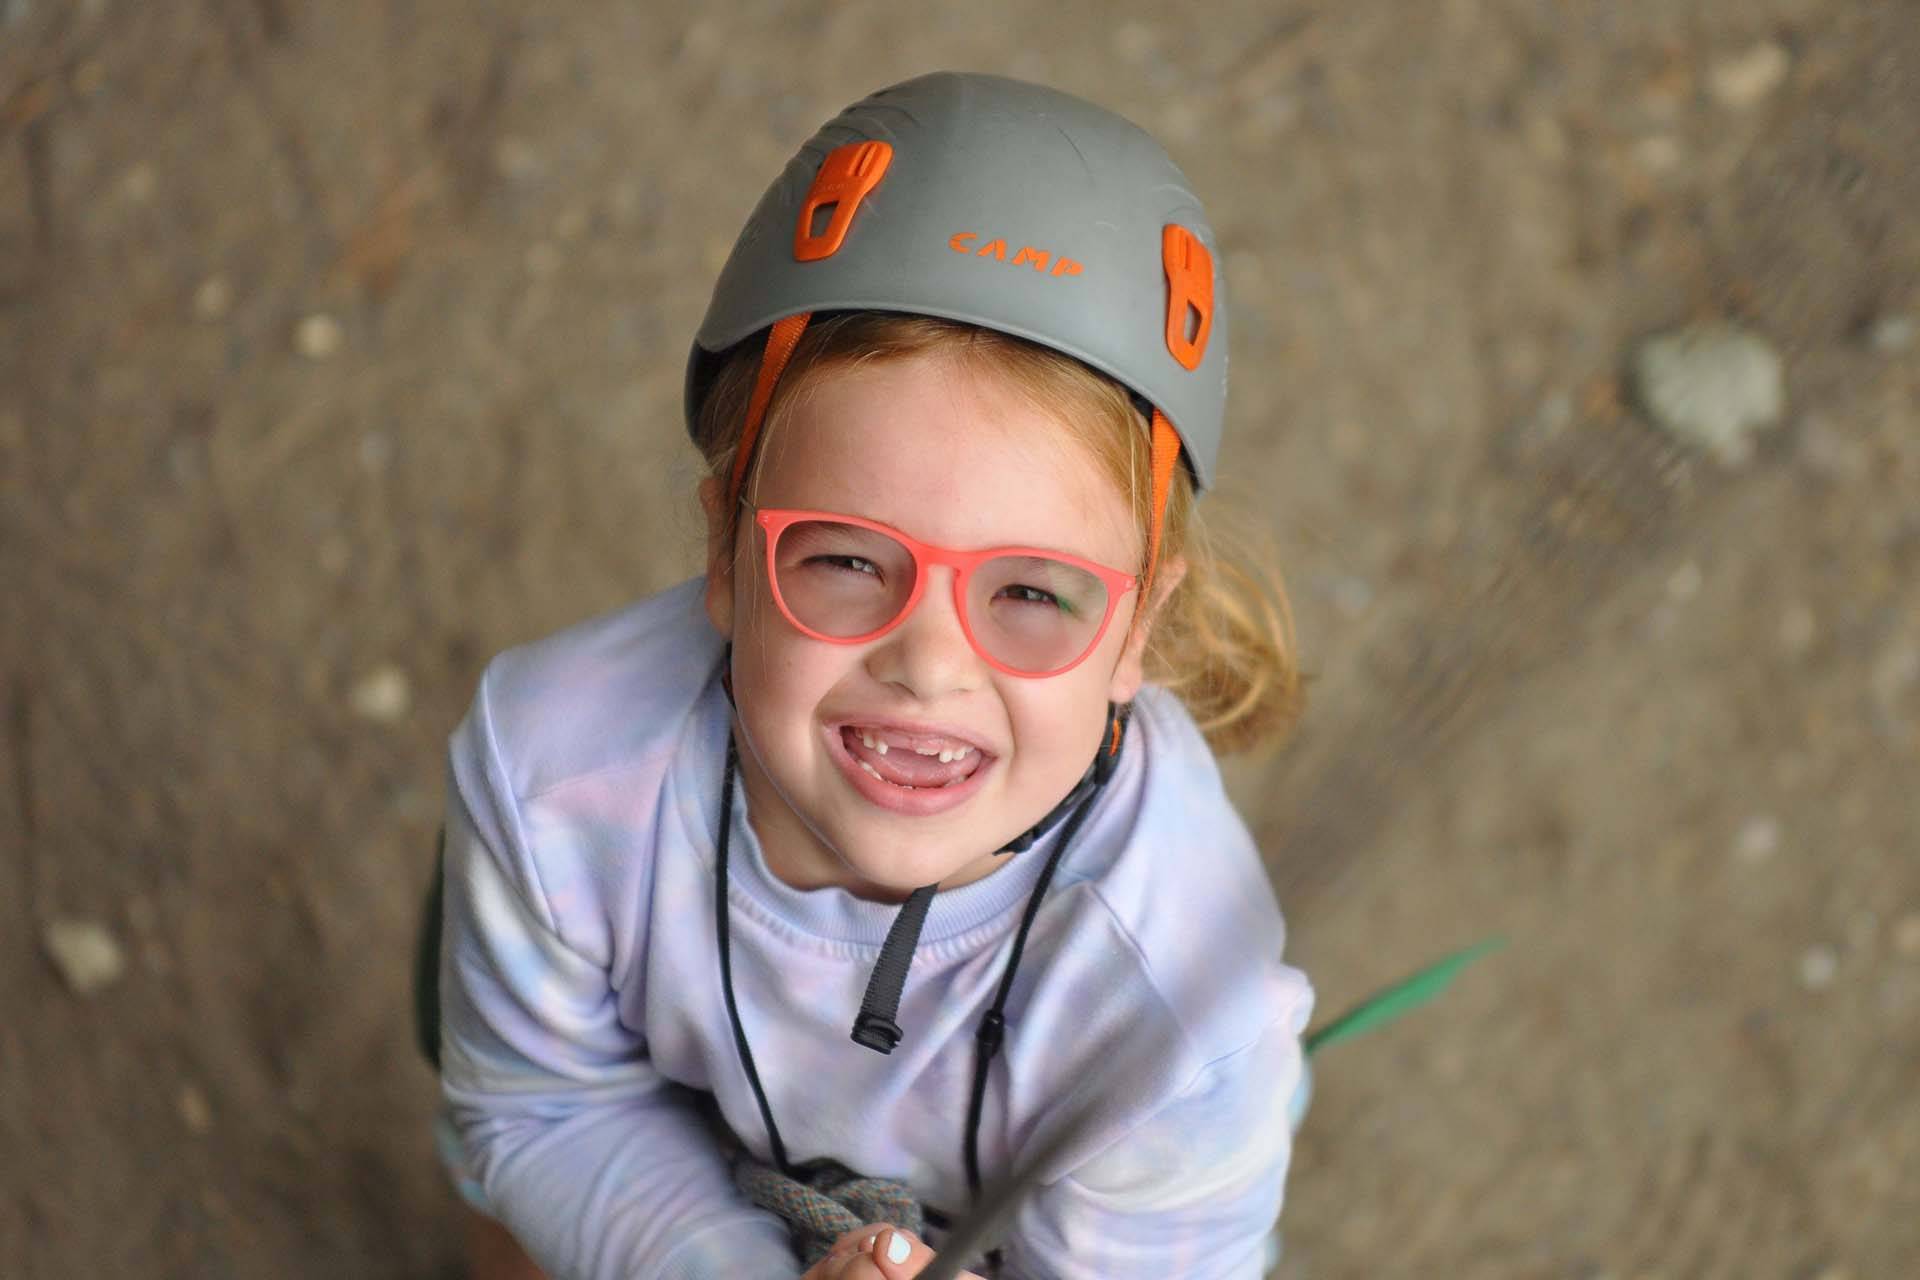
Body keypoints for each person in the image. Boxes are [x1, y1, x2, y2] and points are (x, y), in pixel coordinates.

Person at [431, 71, 1314, 1280]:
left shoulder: (1174, 1014)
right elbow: (544, 1109)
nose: (931, 662)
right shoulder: (555, 770)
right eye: (847, 560)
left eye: (1030, 592)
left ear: (1137, 633)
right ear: (726, 553)